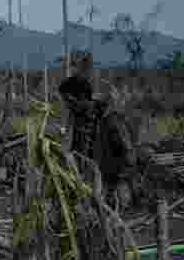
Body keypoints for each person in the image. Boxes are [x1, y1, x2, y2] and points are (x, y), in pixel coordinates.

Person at [58, 75, 137, 209]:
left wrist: (120, 183)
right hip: (87, 185)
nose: (67, 106)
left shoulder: (111, 119)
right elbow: (72, 150)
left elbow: (128, 153)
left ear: (82, 97)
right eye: (65, 101)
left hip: (110, 187)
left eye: (69, 101)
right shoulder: (75, 118)